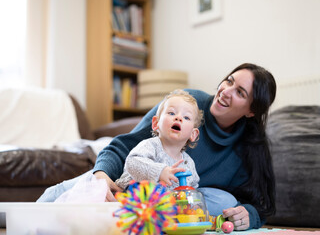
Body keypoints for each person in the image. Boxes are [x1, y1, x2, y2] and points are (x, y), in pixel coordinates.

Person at [38, 63, 276, 231]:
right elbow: (126, 146)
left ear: (251, 110)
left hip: (176, 198)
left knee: (226, 201)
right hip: (132, 183)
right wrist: (101, 175)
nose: (226, 92)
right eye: (229, 81)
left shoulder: (250, 146)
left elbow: (259, 202)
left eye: (240, 92)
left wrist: (250, 216)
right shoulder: (185, 104)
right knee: (61, 197)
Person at [115, 89, 203, 191]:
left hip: (166, 203)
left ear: (193, 134)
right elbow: (132, 163)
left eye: (186, 117)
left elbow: (194, 186)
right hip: (134, 196)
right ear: (156, 123)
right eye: (171, 113)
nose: (178, 118)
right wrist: (160, 172)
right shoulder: (150, 145)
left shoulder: (188, 163)